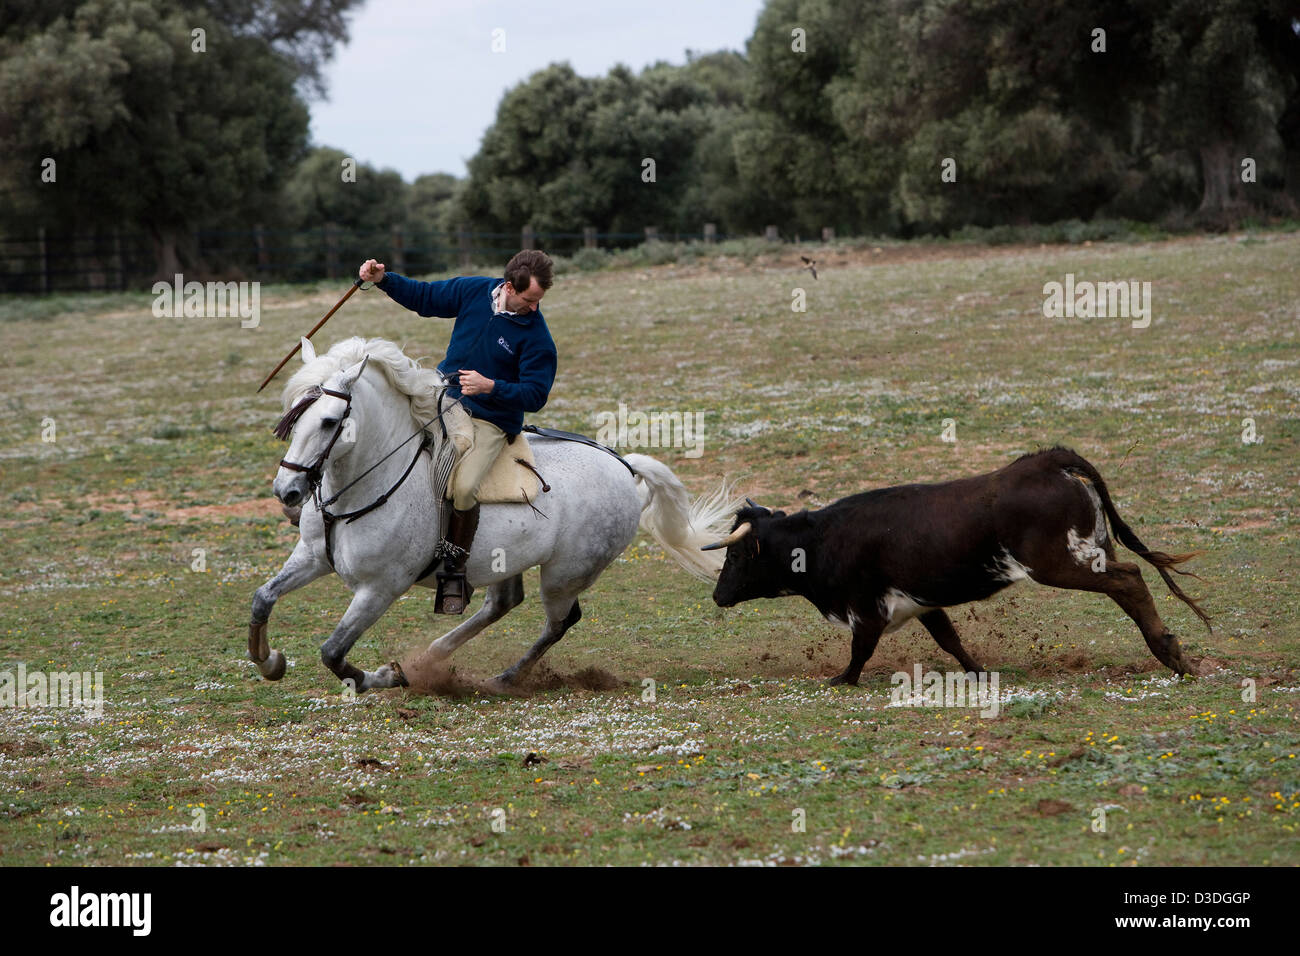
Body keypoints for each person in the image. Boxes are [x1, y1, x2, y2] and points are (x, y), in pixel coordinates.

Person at [358, 250, 558, 613]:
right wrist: (384, 281)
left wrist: (491, 386)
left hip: (491, 419)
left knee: (464, 488)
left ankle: (454, 571)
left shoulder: (537, 338)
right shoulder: (473, 291)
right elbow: (426, 298)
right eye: (530, 299)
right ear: (509, 287)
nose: (534, 307)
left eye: (539, 300)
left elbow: (536, 394)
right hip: (440, 394)